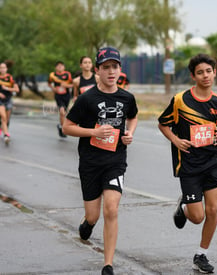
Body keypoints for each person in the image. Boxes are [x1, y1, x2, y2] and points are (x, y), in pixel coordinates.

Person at [62, 46, 138, 275]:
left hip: (115, 160)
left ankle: (108, 264)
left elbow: (133, 117)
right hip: (90, 162)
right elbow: (67, 127)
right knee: (94, 214)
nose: (111, 71)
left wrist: (130, 133)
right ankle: (89, 224)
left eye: (115, 67)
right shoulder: (87, 99)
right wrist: (93, 133)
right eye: (106, 67)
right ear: (97, 71)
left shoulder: (127, 97)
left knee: (111, 210)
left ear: (120, 70)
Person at [158, 53, 217, 273]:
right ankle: (184, 207)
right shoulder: (181, 100)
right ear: (193, 76)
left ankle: (201, 254)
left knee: (213, 210)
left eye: (209, 71)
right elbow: (162, 124)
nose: (205, 76)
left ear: (214, 73)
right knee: (197, 216)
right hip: (189, 165)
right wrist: (175, 139)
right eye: (200, 72)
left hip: (212, 162)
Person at [48, 61, 73, 138]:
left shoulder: (67, 74)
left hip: (67, 95)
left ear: (64, 67)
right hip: (58, 95)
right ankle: (63, 129)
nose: (60, 67)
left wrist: (66, 85)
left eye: (61, 66)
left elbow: (72, 84)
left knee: (64, 112)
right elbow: (49, 83)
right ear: (56, 67)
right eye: (58, 66)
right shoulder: (53, 75)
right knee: (62, 112)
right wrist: (53, 89)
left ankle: (60, 125)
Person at [0, 62, 20, 145]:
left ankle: (3, 127)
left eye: (4, 67)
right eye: (1, 68)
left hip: (8, 100)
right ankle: (6, 135)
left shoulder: (10, 78)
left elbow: (17, 90)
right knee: (3, 117)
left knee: (7, 119)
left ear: (6, 69)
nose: (2, 69)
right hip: (0, 100)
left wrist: (7, 88)